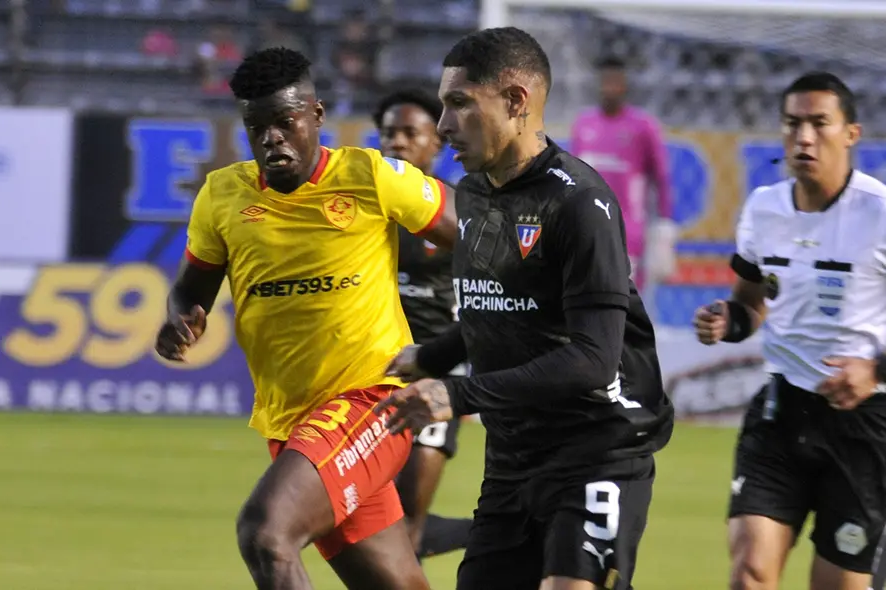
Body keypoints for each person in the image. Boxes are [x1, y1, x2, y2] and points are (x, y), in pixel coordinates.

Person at [376, 27, 674, 590]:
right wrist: (428, 356)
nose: (443, 126)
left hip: (598, 448)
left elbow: (592, 359)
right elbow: (500, 309)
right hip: (513, 456)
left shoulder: (579, 202)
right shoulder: (477, 193)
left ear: (516, 102)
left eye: (459, 103)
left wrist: (457, 392)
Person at [154, 47, 457, 590]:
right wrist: (178, 321)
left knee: (266, 532)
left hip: (371, 401)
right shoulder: (223, 196)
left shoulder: (371, 176)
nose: (271, 137)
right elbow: (190, 291)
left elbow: (477, 231)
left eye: (284, 122)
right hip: (293, 422)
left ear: (316, 116)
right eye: (257, 126)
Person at [693, 71, 886, 590]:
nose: (804, 136)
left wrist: (875, 369)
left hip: (864, 424)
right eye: (793, 123)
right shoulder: (764, 209)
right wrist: (726, 322)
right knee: (751, 573)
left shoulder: (881, 212)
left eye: (819, 123)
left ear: (851, 133)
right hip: (782, 413)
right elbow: (750, 306)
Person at [373, 88, 475, 560]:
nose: (396, 142)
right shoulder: (363, 211)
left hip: (436, 371)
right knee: (375, 522)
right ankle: (501, 532)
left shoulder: (460, 209)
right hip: (374, 369)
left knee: (409, 516)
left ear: (436, 142)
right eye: (388, 133)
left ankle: (501, 533)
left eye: (409, 133)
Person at [569, 56, 676, 290]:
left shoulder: (643, 126)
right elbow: (573, 178)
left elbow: (661, 178)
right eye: (605, 81)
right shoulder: (583, 125)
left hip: (628, 232)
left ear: (625, 84)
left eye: (615, 81)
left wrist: (665, 228)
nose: (609, 87)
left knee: (623, 302)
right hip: (587, 228)